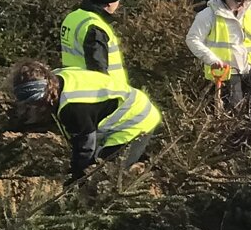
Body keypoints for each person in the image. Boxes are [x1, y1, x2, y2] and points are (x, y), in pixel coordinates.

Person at [9, 60, 163, 182]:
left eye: (36, 102)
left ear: (46, 92)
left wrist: (77, 178)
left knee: (106, 175)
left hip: (136, 120)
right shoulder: (58, 76)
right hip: (131, 105)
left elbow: (85, 147)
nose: (34, 107)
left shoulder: (72, 107)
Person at [60, 0, 129, 85]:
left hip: (74, 84)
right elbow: (98, 69)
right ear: (110, 3)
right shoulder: (95, 27)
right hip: (100, 91)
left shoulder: (73, 17)